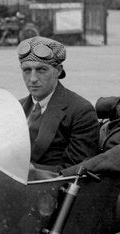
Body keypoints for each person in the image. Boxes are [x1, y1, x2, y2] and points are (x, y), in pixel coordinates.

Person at [17, 36, 99, 172]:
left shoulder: (80, 111)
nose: (33, 79)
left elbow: (76, 171)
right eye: (27, 70)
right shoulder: (16, 108)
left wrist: (30, 171)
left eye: (41, 70)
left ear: (58, 70)